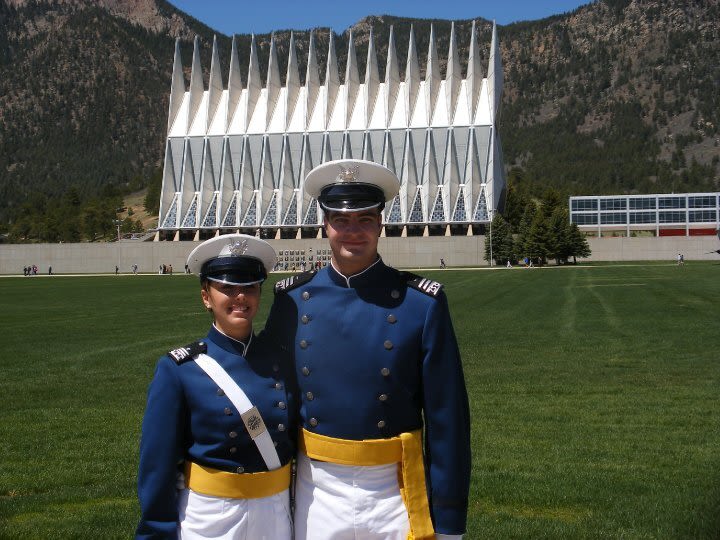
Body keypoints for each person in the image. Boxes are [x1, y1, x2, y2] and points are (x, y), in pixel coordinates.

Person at [264, 159, 470, 539]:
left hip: (393, 489)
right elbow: (268, 396)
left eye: (364, 220)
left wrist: (449, 521)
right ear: (324, 225)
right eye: (341, 221)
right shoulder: (292, 300)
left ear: (380, 225)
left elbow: (447, 421)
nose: (352, 232)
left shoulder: (421, 304)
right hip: (317, 488)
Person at [136, 234, 297, 539]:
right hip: (212, 518)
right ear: (206, 297)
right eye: (227, 288)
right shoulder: (179, 370)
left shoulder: (281, 363)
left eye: (249, 287)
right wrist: (156, 531)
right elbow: (157, 466)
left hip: (274, 515)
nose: (240, 297)